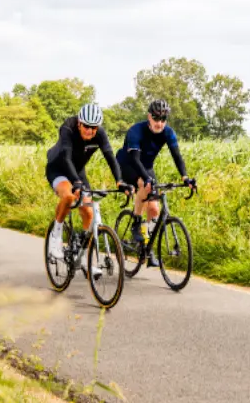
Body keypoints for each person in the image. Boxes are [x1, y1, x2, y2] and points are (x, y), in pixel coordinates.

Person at [45, 102, 131, 276]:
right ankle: (56, 236)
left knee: (89, 213)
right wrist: (76, 182)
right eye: (86, 126)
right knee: (69, 196)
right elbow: (66, 157)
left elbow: (110, 157)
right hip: (58, 167)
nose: (89, 131)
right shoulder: (68, 128)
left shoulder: (99, 134)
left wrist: (120, 181)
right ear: (79, 123)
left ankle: (83, 259)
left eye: (93, 128)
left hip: (78, 172)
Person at [115, 99, 195, 263]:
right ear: (149, 117)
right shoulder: (136, 131)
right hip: (127, 164)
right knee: (143, 185)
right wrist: (145, 178)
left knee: (154, 209)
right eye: (156, 118)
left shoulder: (168, 132)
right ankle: (136, 223)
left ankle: (146, 246)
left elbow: (177, 156)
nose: (159, 123)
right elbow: (135, 159)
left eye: (163, 119)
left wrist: (185, 177)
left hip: (147, 167)